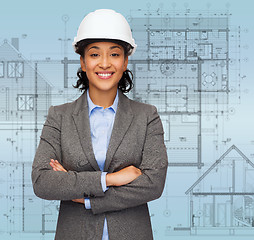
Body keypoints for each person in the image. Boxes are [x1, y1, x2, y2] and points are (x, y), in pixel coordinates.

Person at [31, 9, 168, 240]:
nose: (104, 64)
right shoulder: (59, 117)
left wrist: (84, 198)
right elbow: (42, 181)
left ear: (125, 62)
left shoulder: (147, 116)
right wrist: (108, 179)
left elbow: (153, 184)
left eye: (114, 54)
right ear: (83, 62)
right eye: (95, 55)